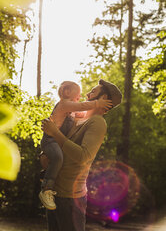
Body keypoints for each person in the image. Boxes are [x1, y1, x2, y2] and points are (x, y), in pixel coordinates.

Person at [41, 79, 122, 231]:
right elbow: (58, 146)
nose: (86, 94)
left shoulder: (97, 122)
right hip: (55, 192)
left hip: (70, 197)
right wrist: (44, 156)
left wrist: (55, 133)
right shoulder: (78, 118)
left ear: (103, 99)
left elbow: (83, 156)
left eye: (93, 92)